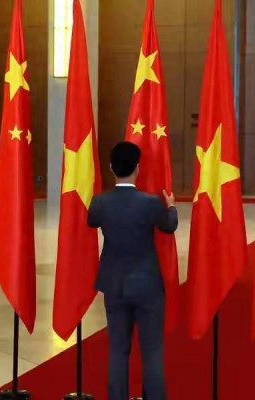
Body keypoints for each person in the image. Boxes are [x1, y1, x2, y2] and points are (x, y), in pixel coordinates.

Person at [87, 141, 177, 400]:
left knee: (118, 350)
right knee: (152, 351)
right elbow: (169, 226)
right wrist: (171, 206)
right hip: (148, 286)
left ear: (111, 167)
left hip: (114, 284)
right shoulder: (150, 203)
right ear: (138, 168)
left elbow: (91, 220)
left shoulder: (100, 202)